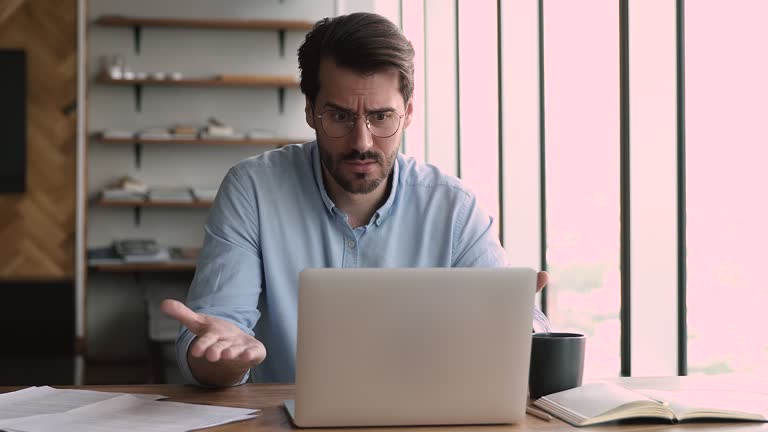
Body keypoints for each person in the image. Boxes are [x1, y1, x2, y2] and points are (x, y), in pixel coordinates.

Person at [160, 12, 551, 387]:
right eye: (341, 117)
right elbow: (215, 337)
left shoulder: (452, 206)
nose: (362, 142)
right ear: (311, 111)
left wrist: (518, 327)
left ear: (408, 113)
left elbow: (527, 333)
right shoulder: (253, 189)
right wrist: (224, 360)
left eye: (381, 117)